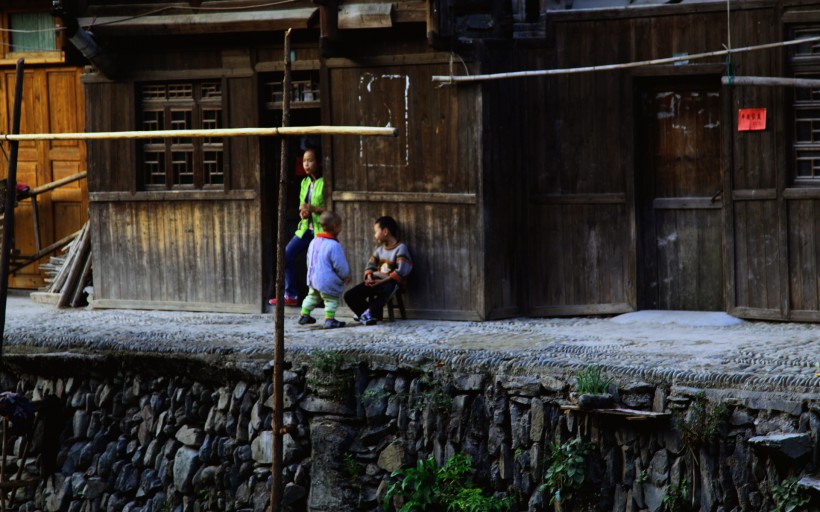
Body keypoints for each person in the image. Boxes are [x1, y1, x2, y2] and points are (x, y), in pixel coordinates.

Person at [270, 147, 325, 306]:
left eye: (310, 160)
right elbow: (302, 205)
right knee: (286, 256)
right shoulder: (305, 182)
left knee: (319, 264)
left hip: (321, 231)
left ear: (319, 162)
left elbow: (332, 206)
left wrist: (313, 209)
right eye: (304, 161)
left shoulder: (325, 182)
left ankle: (321, 299)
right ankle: (291, 295)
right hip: (305, 229)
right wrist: (304, 213)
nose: (306, 164)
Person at [344, 215, 412, 326]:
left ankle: (368, 313)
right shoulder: (379, 250)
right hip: (376, 281)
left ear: (385, 231)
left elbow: (401, 270)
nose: (375, 235)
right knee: (350, 295)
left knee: (389, 288)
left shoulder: (401, 248)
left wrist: (381, 281)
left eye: (376, 232)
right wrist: (370, 277)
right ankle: (365, 314)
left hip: (391, 282)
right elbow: (370, 265)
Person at [298, 211, 351, 329]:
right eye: (340, 226)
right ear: (334, 227)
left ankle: (304, 314)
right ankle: (329, 319)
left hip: (313, 277)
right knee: (331, 299)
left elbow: (309, 260)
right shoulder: (334, 245)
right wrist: (345, 275)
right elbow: (340, 265)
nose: (341, 228)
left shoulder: (314, 241)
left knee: (312, 296)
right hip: (326, 280)